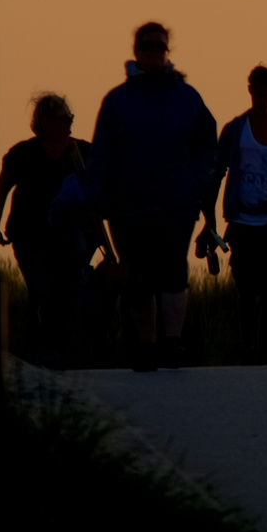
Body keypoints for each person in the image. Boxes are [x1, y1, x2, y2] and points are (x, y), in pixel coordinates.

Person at [85, 22, 218, 371]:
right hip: (128, 206)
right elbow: (101, 153)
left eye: (159, 46)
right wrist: (96, 198)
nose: (153, 52)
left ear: (167, 52)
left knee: (174, 270)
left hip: (177, 203)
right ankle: (147, 346)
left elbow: (208, 141)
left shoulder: (187, 98)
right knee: (138, 278)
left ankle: (173, 342)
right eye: (147, 46)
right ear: (136, 51)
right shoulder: (117, 101)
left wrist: (197, 178)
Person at [205, 65, 267, 363]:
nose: (262, 98)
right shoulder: (235, 131)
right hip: (242, 221)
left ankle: (265, 351)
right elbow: (216, 174)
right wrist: (209, 223)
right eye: (258, 92)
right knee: (245, 289)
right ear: (250, 90)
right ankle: (248, 351)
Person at [0, 92, 93, 367]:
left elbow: (99, 194)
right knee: (41, 291)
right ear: (44, 121)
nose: (68, 123)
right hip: (30, 236)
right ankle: (43, 348)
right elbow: (2, 188)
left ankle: (63, 350)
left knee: (69, 294)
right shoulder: (23, 153)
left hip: (72, 238)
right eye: (63, 118)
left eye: (70, 118)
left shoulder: (84, 152)